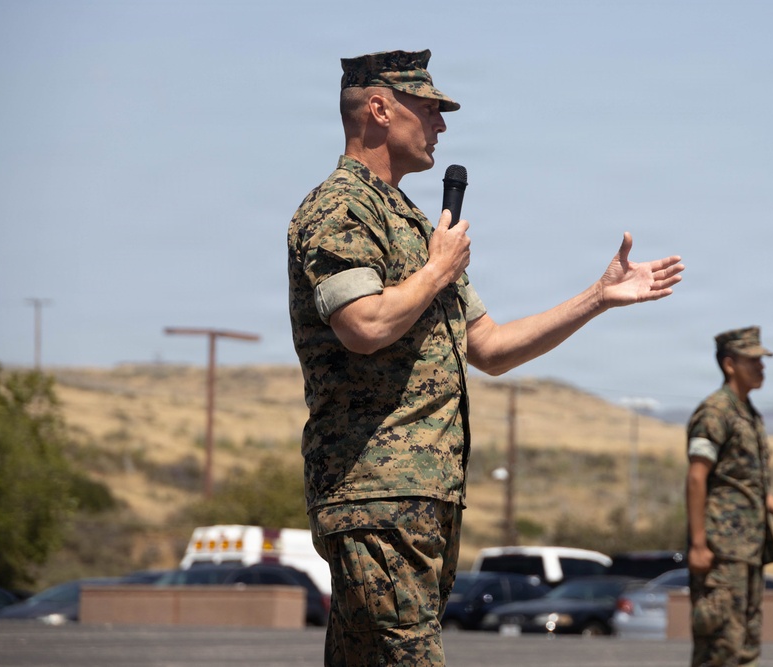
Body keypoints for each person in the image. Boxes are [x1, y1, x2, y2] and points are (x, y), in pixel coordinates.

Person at [287, 49, 685, 667]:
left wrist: (598, 297)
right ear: (379, 109)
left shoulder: (413, 224)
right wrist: (436, 270)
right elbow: (363, 325)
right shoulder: (342, 208)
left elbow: (491, 348)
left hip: (420, 498)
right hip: (376, 496)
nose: (441, 124)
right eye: (428, 108)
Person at [685, 326, 773, 667]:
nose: (762, 367)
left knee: (746, 649)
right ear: (730, 364)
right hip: (721, 551)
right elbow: (696, 477)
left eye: (762, 361)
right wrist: (699, 544)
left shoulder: (749, 415)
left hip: (748, 550)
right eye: (753, 361)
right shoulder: (715, 412)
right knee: (720, 650)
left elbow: (750, 489)